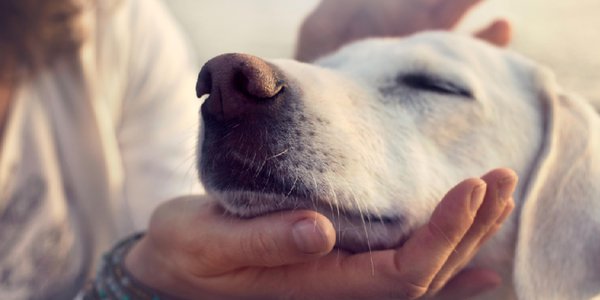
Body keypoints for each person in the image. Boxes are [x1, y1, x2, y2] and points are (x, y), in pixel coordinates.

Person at [0, 0, 515, 299]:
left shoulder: (112, 26)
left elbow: (196, 228)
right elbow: (171, 255)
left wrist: (323, 75)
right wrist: (134, 282)